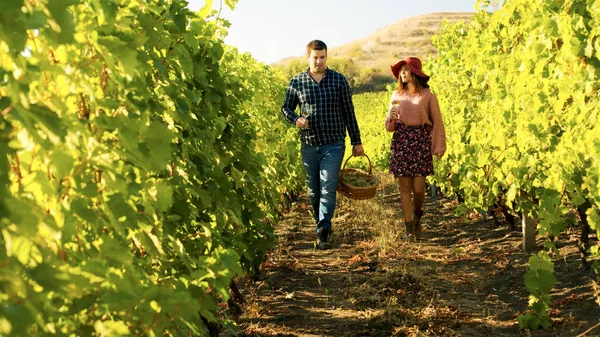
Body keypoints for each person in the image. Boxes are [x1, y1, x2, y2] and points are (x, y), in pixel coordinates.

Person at [282, 39, 365, 249]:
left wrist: (357, 141)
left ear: (326, 57)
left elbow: (349, 112)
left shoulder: (338, 80)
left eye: (322, 57)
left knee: (328, 186)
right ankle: (320, 223)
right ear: (308, 57)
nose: (319, 61)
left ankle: (324, 229)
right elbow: (286, 109)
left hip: (334, 143)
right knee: (314, 191)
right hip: (309, 144)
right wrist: (296, 119)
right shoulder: (297, 82)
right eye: (315, 57)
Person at [385, 57, 446, 241]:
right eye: (401, 70)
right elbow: (389, 127)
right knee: (404, 186)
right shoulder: (396, 96)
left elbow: (437, 123)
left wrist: (438, 146)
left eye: (406, 70)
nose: (402, 73)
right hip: (402, 140)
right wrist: (391, 118)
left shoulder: (428, 96)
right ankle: (409, 228)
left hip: (420, 141)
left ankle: (418, 214)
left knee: (419, 188)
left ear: (415, 72)